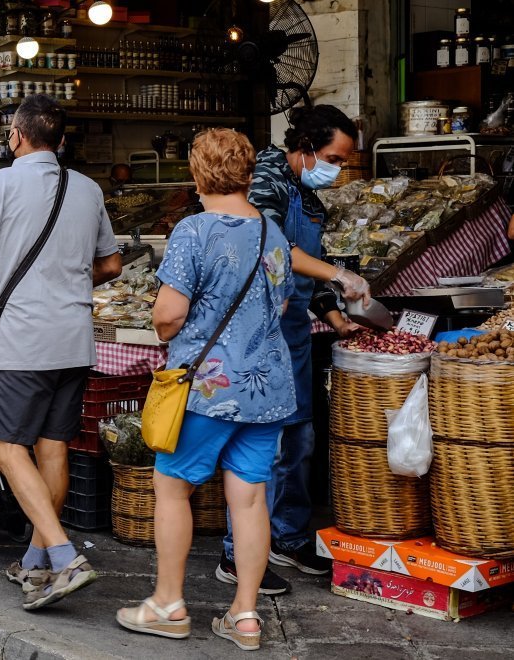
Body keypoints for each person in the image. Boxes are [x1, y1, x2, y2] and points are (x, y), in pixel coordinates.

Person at [116, 129, 295, 652]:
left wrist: (167, 328)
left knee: (172, 488)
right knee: (250, 498)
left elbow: (169, 313)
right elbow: (280, 306)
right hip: (266, 389)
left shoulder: (193, 231)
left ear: (198, 175)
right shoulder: (272, 231)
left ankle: (168, 605)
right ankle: (245, 615)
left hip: (209, 388)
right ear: (247, 172)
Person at [0, 95, 122, 611]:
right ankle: (36, 561)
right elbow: (111, 266)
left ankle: (66, 557)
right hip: (74, 338)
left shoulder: (0, 183)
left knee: (3, 447)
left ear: (16, 137)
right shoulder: (88, 189)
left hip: (24, 339)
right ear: (62, 141)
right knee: (52, 446)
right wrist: (66, 279)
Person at [214, 104, 368, 595]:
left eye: (344, 162)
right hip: (260, 334)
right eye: (333, 158)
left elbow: (309, 265)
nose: (337, 169)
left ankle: (287, 537)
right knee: (262, 447)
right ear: (305, 149)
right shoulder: (268, 178)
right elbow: (272, 245)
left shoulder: (310, 194)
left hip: (295, 336)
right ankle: (236, 556)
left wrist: (337, 318)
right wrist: (340, 275)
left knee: (299, 441)